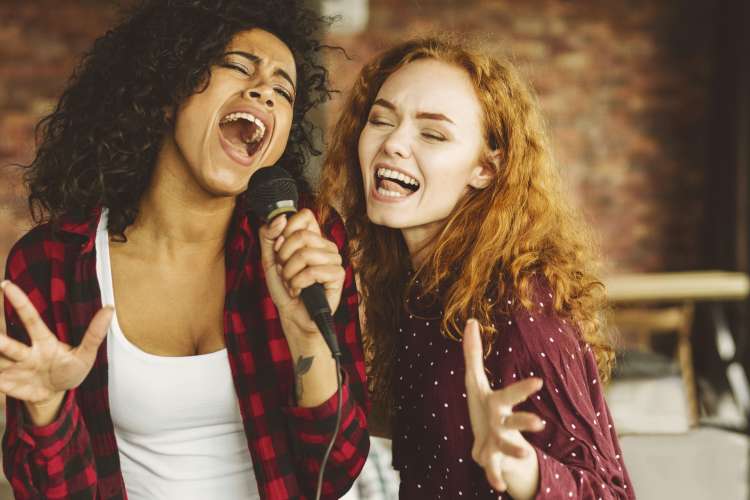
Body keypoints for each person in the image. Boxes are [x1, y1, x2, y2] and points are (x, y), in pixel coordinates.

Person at [0, 1, 369, 498]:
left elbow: (336, 467)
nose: (264, 89)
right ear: (168, 95)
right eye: (239, 66)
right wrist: (47, 410)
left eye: (284, 90)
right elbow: (51, 490)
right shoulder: (52, 263)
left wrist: (306, 335)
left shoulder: (306, 239)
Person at [319, 36, 634, 499]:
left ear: (485, 168)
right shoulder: (423, 288)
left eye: (433, 133)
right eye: (381, 119)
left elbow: (611, 493)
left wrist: (527, 472)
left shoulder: (517, 304)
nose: (394, 144)